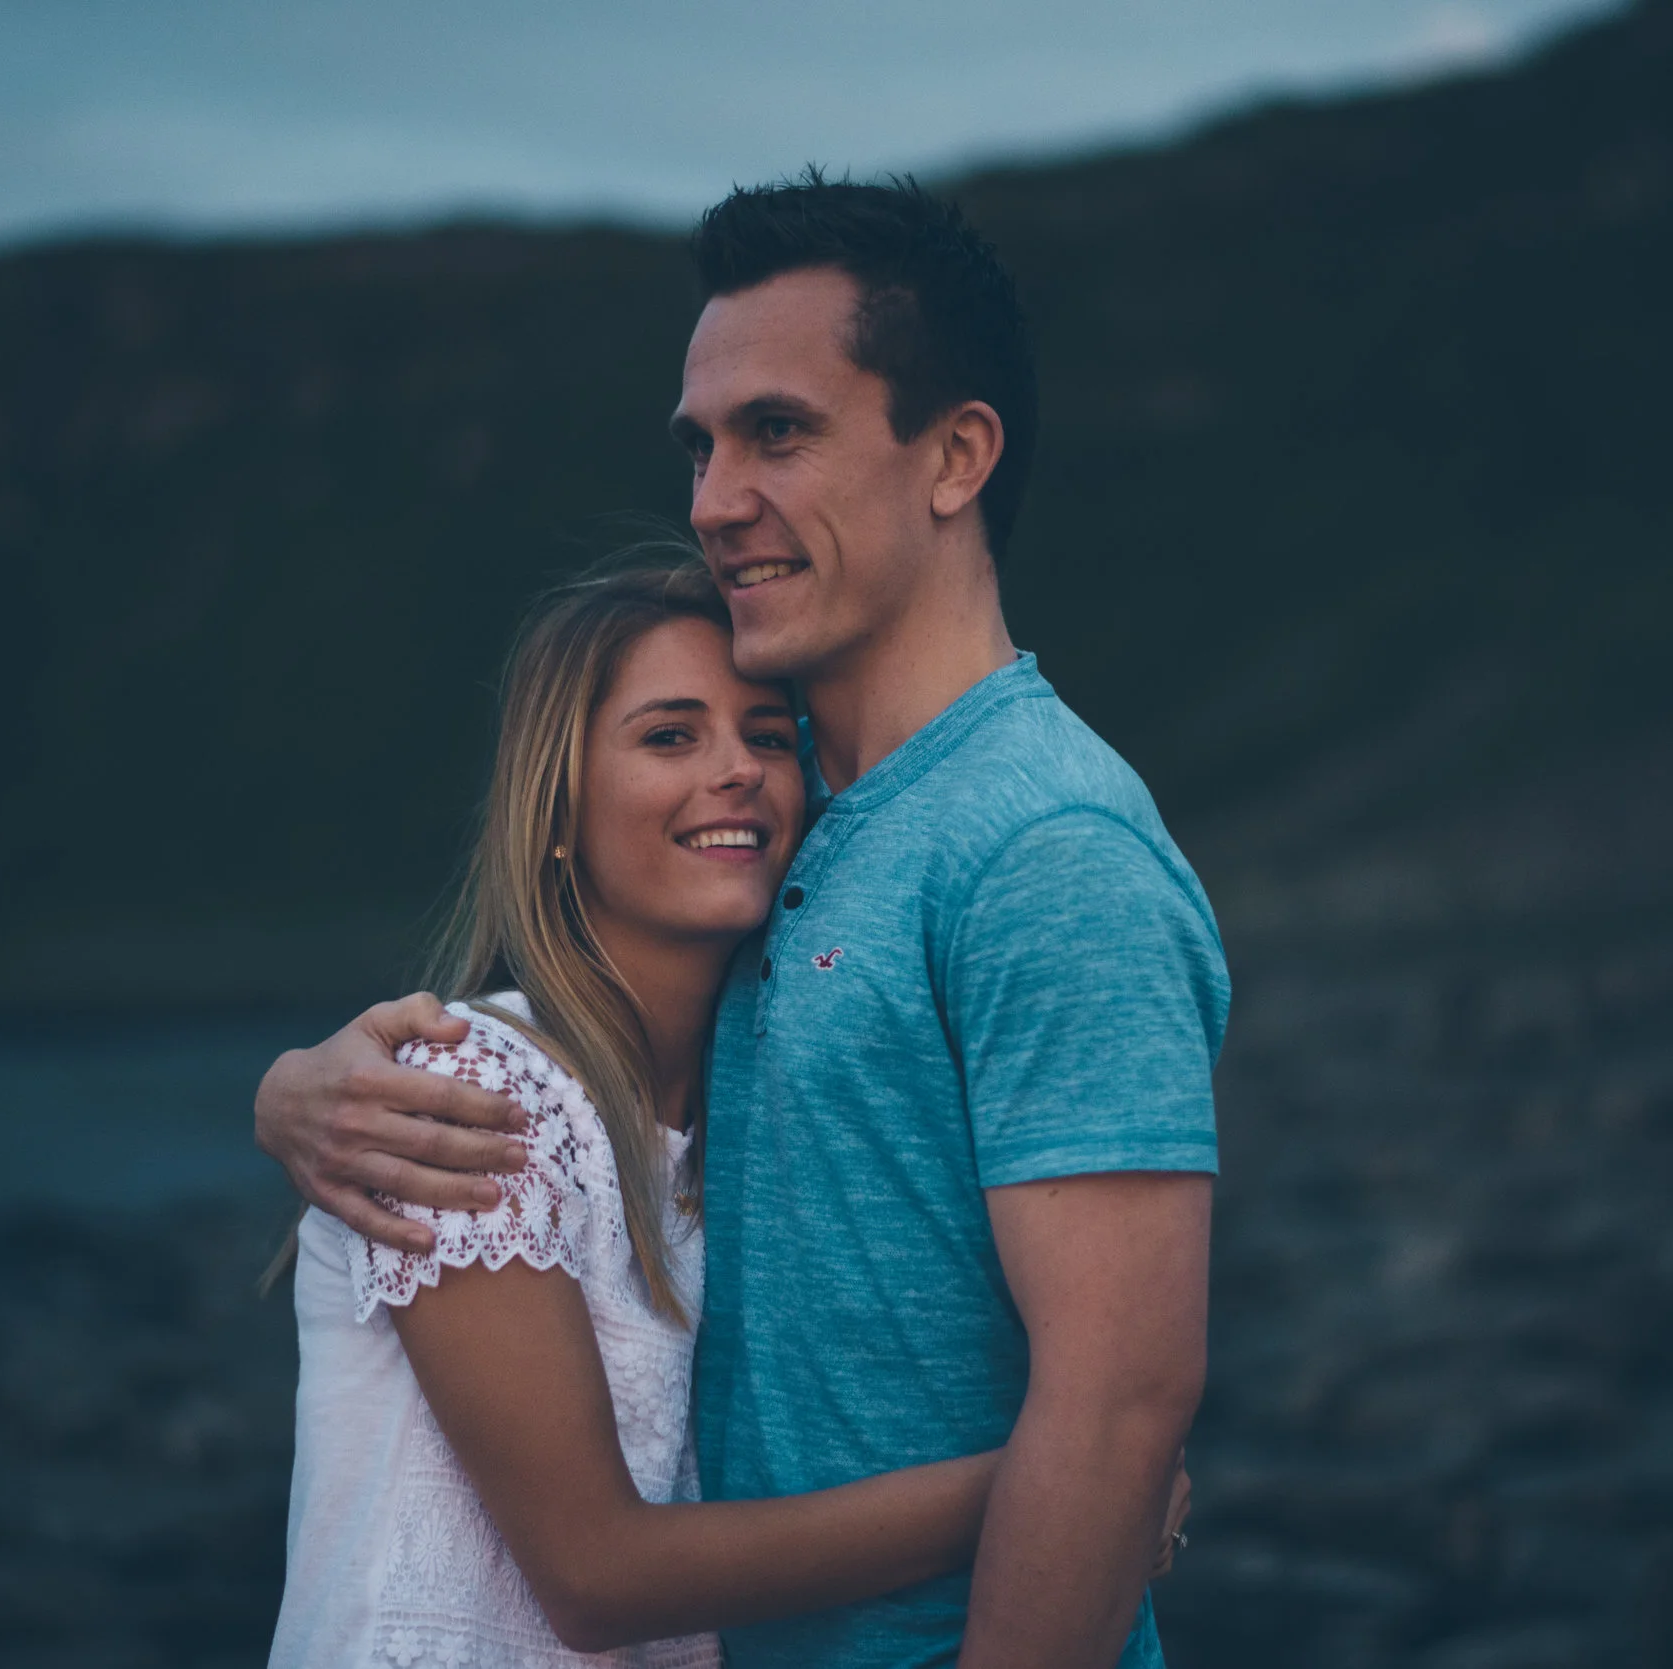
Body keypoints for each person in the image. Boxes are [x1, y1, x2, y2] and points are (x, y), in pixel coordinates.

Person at [259, 174, 1229, 1668]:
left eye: (778, 430)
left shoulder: (1046, 845)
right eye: (702, 446)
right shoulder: (802, 837)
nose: (715, 498)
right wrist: (291, 1095)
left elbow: (1117, 1408)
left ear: (957, 454)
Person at [276, 564, 1182, 1668]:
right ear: (557, 808)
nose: (736, 773)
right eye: (670, 737)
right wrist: (1072, 1482)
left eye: (766, 735)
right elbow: (596, 1575)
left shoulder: (747, 1110)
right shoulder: (473, 1099)